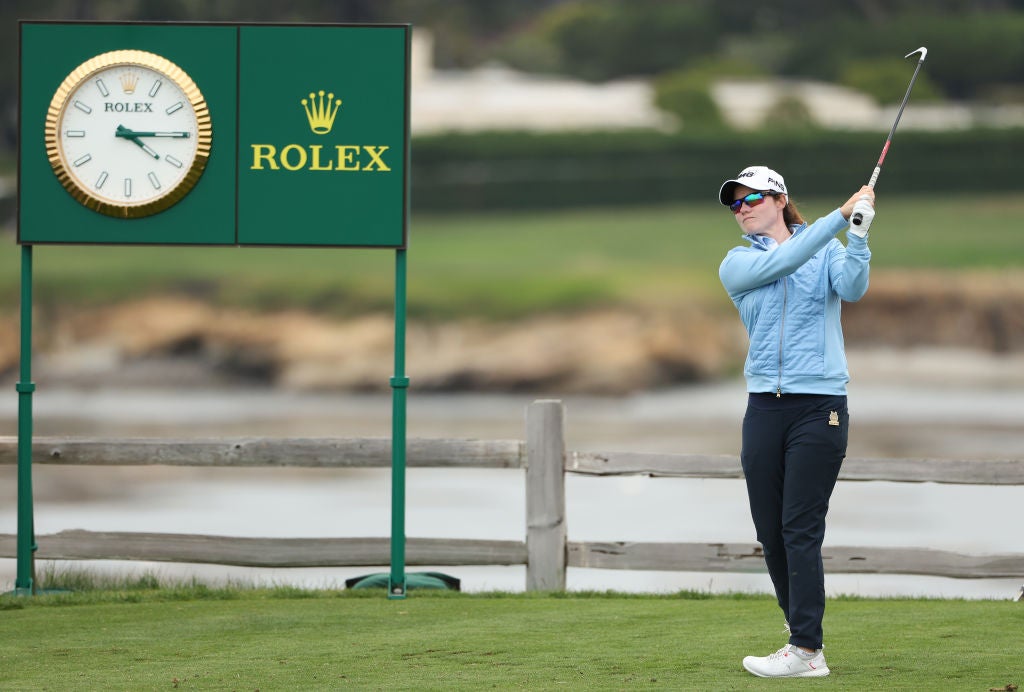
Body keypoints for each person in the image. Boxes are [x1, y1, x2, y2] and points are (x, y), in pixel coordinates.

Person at [717, 165, 875, 678]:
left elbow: (851, 289)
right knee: (771, 528)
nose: (741, 208)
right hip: (763, 406)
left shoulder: (827, 246)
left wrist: (858, 234)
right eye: (735, 203)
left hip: (819, 405)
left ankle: (807, 648)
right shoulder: (737, 263)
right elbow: (787, 259)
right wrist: (838, 217)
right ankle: (801, 641)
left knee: (799, 527)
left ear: (780, 199)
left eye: (751, 199)